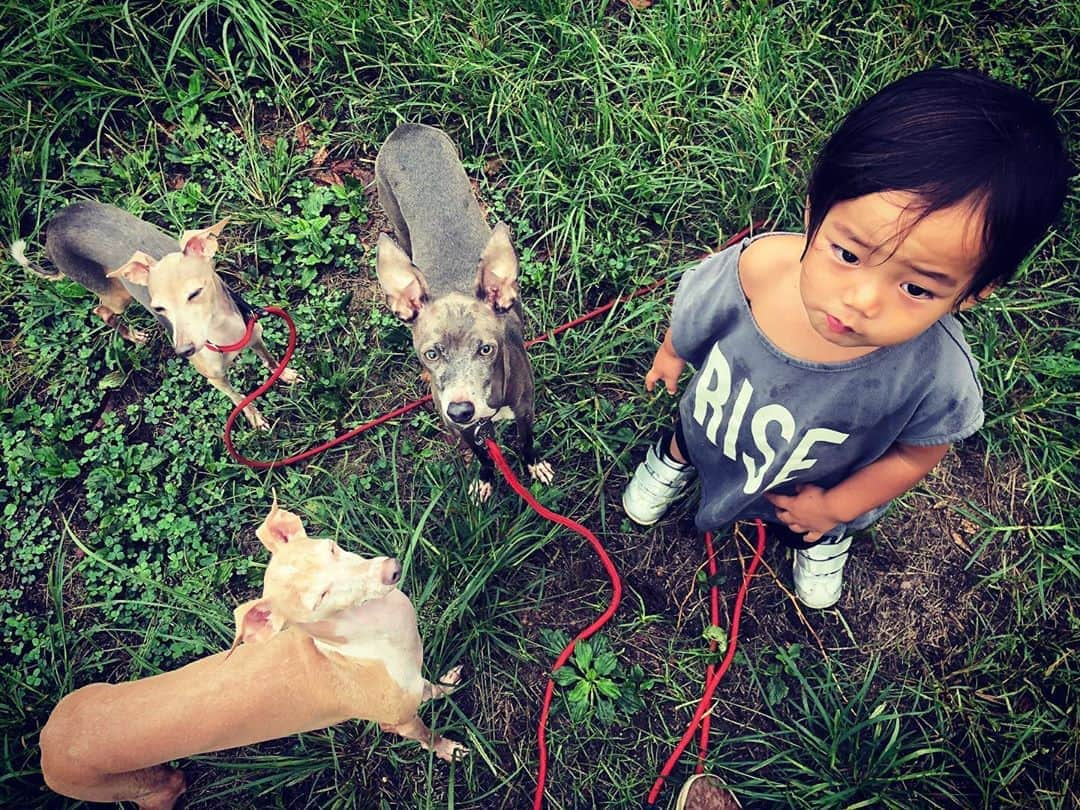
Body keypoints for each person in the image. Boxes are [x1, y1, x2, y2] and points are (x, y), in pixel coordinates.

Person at [622, 67, 1070, 613]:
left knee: (803, 524)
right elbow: (696, 312)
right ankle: (673, 460)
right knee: (691, 437)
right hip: (714, 421)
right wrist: (672, 352)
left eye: (914, 286)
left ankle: (824, 541)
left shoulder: (937, 375)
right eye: (849, 254)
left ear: (974, 291)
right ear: (815, 213)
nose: (861, 300)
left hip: (811, 485)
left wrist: (834, 507)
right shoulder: (758, 268)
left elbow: (916, 454)